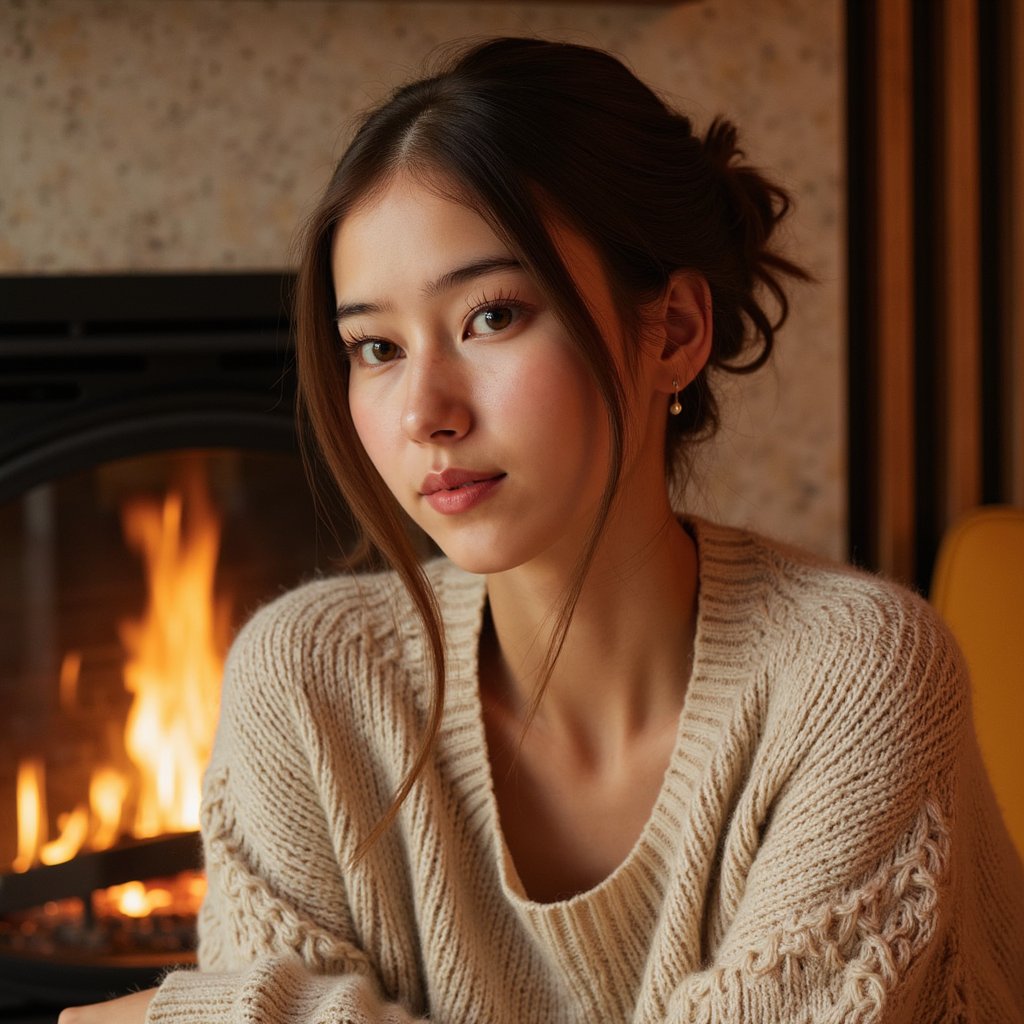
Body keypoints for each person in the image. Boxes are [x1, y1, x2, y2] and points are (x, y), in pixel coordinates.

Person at [63, 36, 1022, 1024]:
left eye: (491, 316)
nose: (422, 410)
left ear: (676, 333)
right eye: (377, 346)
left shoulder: (854, 674)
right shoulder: (309, 683)